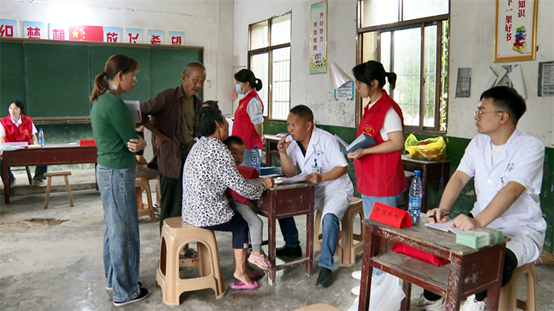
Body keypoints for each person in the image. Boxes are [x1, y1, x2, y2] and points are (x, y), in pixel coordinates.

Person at [413, 86, 546, 311]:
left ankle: (477, 301)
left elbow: (512, 191)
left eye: (482, 111)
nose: (476, 116)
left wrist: (477, 222)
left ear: (503, 116)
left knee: (495, 261)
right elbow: (459, 177)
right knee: (438, 245)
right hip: (480, 222)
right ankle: (434, 298)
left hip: (519, 230)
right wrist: (443, 209)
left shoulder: (531, 148)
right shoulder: (478, 143)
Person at [181, 106, 274, 289]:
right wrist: (264, 185)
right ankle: (241, 272)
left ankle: (245, 266)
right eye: (224, 120)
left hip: (190, 210)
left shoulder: (198, 144)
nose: (227, 124)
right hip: (205, 214)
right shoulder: (219, 150)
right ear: (217, 124)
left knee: (240, 217)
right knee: (241, 224)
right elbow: (240, 186)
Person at [90, 54, 149, 306]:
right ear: (120, 75)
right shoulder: (114, 104)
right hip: (117, 171)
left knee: (113, 228)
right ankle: (126, 291)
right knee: (124, 230)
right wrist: (142, 142)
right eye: (133, 74)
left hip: (107, 169)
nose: (135, 79)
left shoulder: (101, 100)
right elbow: (133, 143)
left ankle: (114, 280)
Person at [276, 105, 354, 288]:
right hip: (312, 189)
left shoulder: (327, 140)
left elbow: (343, 167)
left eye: (294, 125)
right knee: (281, 202)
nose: (289, 129)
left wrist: (322, 177)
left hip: (336, 188)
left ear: (308, 125)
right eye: (288, 125)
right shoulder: (293, 144)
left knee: (329, 217)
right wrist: (282, 153)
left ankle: (326, 266)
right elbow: (289, 173)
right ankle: (293, 245)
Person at [347, 61, 406, 294]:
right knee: (373, 228)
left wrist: (365, 151)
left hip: (384, 181)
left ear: (373, 84)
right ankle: (375, 272)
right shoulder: (371, 106)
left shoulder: (388, 109)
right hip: (370, 179)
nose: (357, 87)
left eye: (360, 83)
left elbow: (397, 142)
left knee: (385, 231)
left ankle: (383, 280)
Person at [140, 61, 205, 239]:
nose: (198, 85)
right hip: (171, 160)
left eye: (202, 81)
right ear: (184, 78)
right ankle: (167, 249)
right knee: (170, 206)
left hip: (189, 161)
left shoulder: (197, 102)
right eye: (195, 80)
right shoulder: (167, 96)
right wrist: (157, 134)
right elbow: (139, 113)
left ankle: (182, 247)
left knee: (187, 205)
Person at [223, 135, 271, 271]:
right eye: (234, 152)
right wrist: (247, 202)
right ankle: (256, 253)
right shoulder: (230, 169)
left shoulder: (232, 167)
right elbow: (235, 192)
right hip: (235, 202)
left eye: (242, 153)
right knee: (257, 222)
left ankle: (249, 256)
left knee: (250, 223)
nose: (239, 157)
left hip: (234, 201)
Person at [0, 99, 48, 187]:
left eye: (15, 109)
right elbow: (1, 139)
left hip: (27, 151)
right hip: (11, 152)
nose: (12, 111)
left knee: (44, 154)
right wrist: (3, 150)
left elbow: (33, 136)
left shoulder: (28, 121)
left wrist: (36, 145)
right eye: (10, 108)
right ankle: (10, 180)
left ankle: (38, 179)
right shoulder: (3, 122)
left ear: (20, 110)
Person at [232, 69, 265, 166]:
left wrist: (260, 137)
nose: (236, 85)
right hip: (242, 147)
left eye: (238, 82)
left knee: (250, 176)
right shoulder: (246, 100)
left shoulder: (252, 101)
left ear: (247, 84)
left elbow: (258, 124)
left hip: (249, 147)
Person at [135, 126, 161, 207]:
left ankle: (137, 204)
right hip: (135, 168)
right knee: (161, 173)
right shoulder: (138, 133)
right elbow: (140, 157)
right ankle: (159, 204)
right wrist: (149, 166)